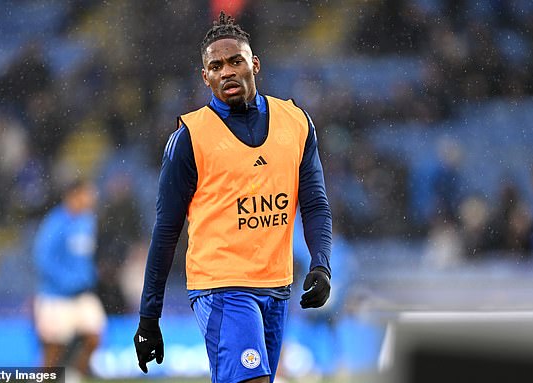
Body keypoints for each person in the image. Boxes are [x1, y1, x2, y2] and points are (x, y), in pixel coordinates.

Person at [134, 11, 333, 383]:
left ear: (254, 64)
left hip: (276, 285)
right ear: (205, 76)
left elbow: (316, 204)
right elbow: (166, 230)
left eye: (235, 61)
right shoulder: (189, 138)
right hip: (221, 286)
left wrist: (321, 264)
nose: (226, 71)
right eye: (216, 66)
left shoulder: (296, 123)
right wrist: (149, 317)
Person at [33, 178, 106, 376]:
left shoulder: (87, 221)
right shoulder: (55, 222)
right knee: (53, 351)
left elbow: (83, 255)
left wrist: (89, 276)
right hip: (56, 295)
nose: (91, 198)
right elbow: (43, 258)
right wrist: (67, 280)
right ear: (74, 196)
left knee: (95, 336)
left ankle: (73, 376)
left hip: (82, 294)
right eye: (87, 194)